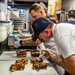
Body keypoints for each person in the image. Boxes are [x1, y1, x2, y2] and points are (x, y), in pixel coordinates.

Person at [13, 3, 65, 75]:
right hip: (47, 55)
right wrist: (21, 41)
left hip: (56, 57)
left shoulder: (49, 22)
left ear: (41, 12)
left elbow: (37, 40)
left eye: (35, 16)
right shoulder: (40, 23)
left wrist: (20, 43)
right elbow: (34, 37)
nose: (34, 19)